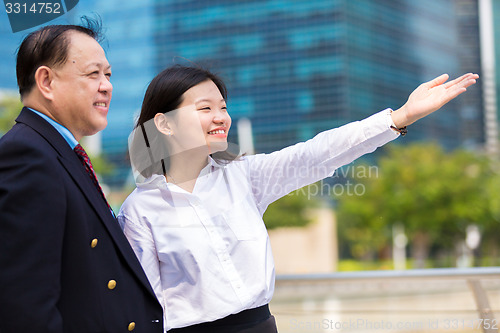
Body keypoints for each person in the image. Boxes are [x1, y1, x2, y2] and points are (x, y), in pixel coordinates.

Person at [118, 65, 478, 332]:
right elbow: (143, 304)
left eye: (223, 107)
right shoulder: (140, 209)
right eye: (205, 108)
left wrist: (399, 118)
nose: (221, 118)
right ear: (163, 124)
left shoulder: (245, 176)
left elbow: (316, 154)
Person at [0, 19, 163, 332]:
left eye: (108, 74)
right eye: (93, 74)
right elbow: (25, 305)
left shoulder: (56, 151)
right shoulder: (27, 155)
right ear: (46, 81)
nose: (107, 85)